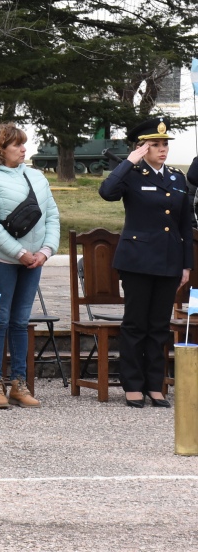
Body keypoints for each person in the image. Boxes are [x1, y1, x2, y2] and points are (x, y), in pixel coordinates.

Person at [99, 117, 191, 408]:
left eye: (165, 144)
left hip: (168, 260)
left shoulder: (176, 178)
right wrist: (128, 161)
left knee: (159, 326)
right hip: (138, 261)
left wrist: (186, 265)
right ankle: (133, 384)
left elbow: (185, 225)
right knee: (136, 324)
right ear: (142, 148)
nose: (162, 150)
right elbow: (106, 192)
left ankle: (155, 384)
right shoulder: (131, 174)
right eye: (155, 145)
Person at [0, 123, 59, 409]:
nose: (24, 148)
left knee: (21, 322)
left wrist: (45, 252)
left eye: (24, 143)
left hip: (34, 261)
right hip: (0, 259)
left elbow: (52, 217)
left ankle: (19, 384)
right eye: (16, 145)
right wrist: (20, 251)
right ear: (0, 149)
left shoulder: (36, 177)